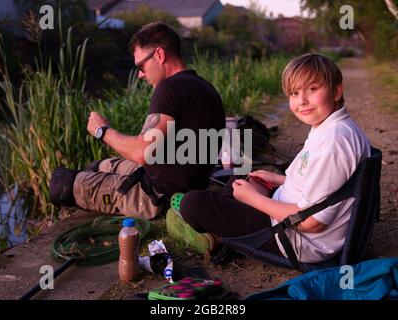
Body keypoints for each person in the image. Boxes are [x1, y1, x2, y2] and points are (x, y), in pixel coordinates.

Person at [170, 53, 371, 263]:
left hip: (296, 239)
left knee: (193, 203)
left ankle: (210, 232)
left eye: (312, 89)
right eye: (294, 93)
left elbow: (312, 222)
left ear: (337, 90)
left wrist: (254, 199)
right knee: (240, 181)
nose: (302, 101)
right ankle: (217, 228)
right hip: (291, 216)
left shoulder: (333, 143)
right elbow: (329, 187)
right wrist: (281, 181)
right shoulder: (334, 128)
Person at [49, 22, 225, 219]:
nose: (140, 75)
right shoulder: (204, 87)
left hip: (157, 198)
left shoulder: (169, 87)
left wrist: (102, 130)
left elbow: (142, 152)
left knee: (61, 184)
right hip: (176, 180)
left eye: (141, 66)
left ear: (159, 55)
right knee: (98, 166)